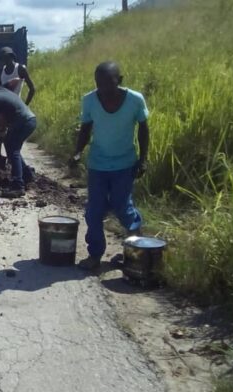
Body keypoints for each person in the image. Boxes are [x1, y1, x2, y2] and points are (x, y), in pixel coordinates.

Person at [70, 62, 149, 271]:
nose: (102, 89)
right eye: (98, 84)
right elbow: (85, 129)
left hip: (125, 164)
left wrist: (143, 159)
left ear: (120, 80)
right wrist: (78, 151)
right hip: (98, 165)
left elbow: (143, 128)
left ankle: (134, 252)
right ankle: (95, 255)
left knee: (123, 206)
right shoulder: (89, 100)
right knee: (93, 211)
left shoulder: (134, 100)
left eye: (108, 83)